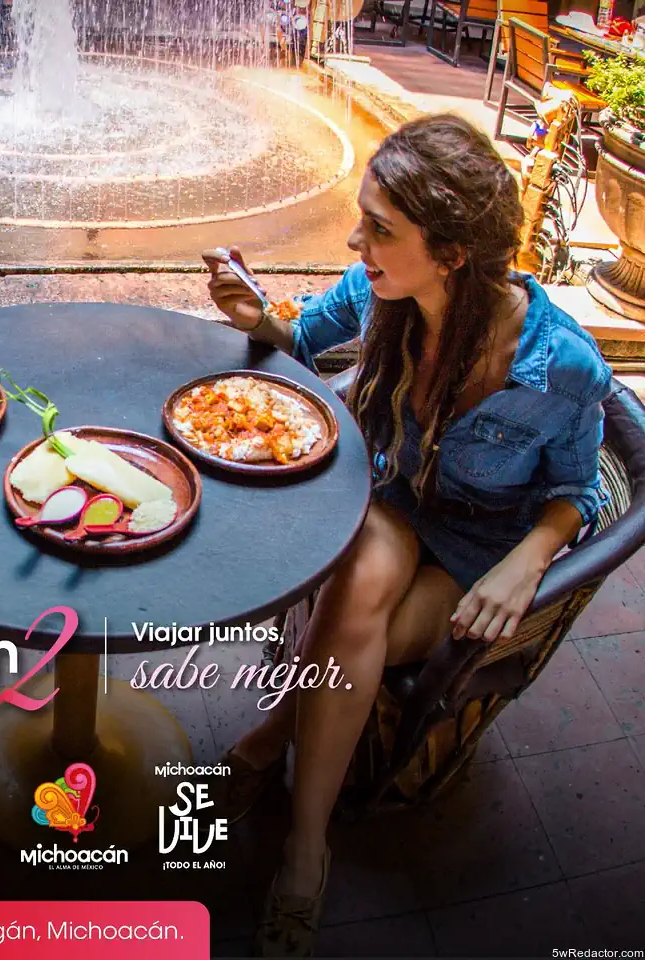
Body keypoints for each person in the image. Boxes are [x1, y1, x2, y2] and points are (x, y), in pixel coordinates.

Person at [203, 113, 611, 956]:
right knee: (356, 594)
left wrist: (530, 560)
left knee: (371, 632)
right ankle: (308, 848)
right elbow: (298, 340)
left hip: (479, 545)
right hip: (396, 503)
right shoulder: (378, 289)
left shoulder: (560, 365)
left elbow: (578, 490)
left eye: (381, 229)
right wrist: (256, 315)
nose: (357, 241)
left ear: (454, 252)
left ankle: (269, 736)